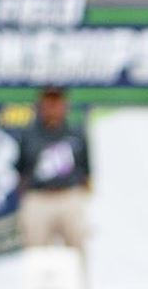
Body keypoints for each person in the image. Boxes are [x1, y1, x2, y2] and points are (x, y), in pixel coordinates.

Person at [16, 86, 92, 255]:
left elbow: (86, 170)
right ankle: (36, 282)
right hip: (39, 198)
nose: (53, 106)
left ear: (65, 105)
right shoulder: (29, 135)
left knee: (78, 249)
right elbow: (20, 170)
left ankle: (79, 282)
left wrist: (82, 195)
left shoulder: (76, 133)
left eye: (57, 101)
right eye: (48, 101)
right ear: (40, 105)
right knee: (34, 251)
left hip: (69, 196)